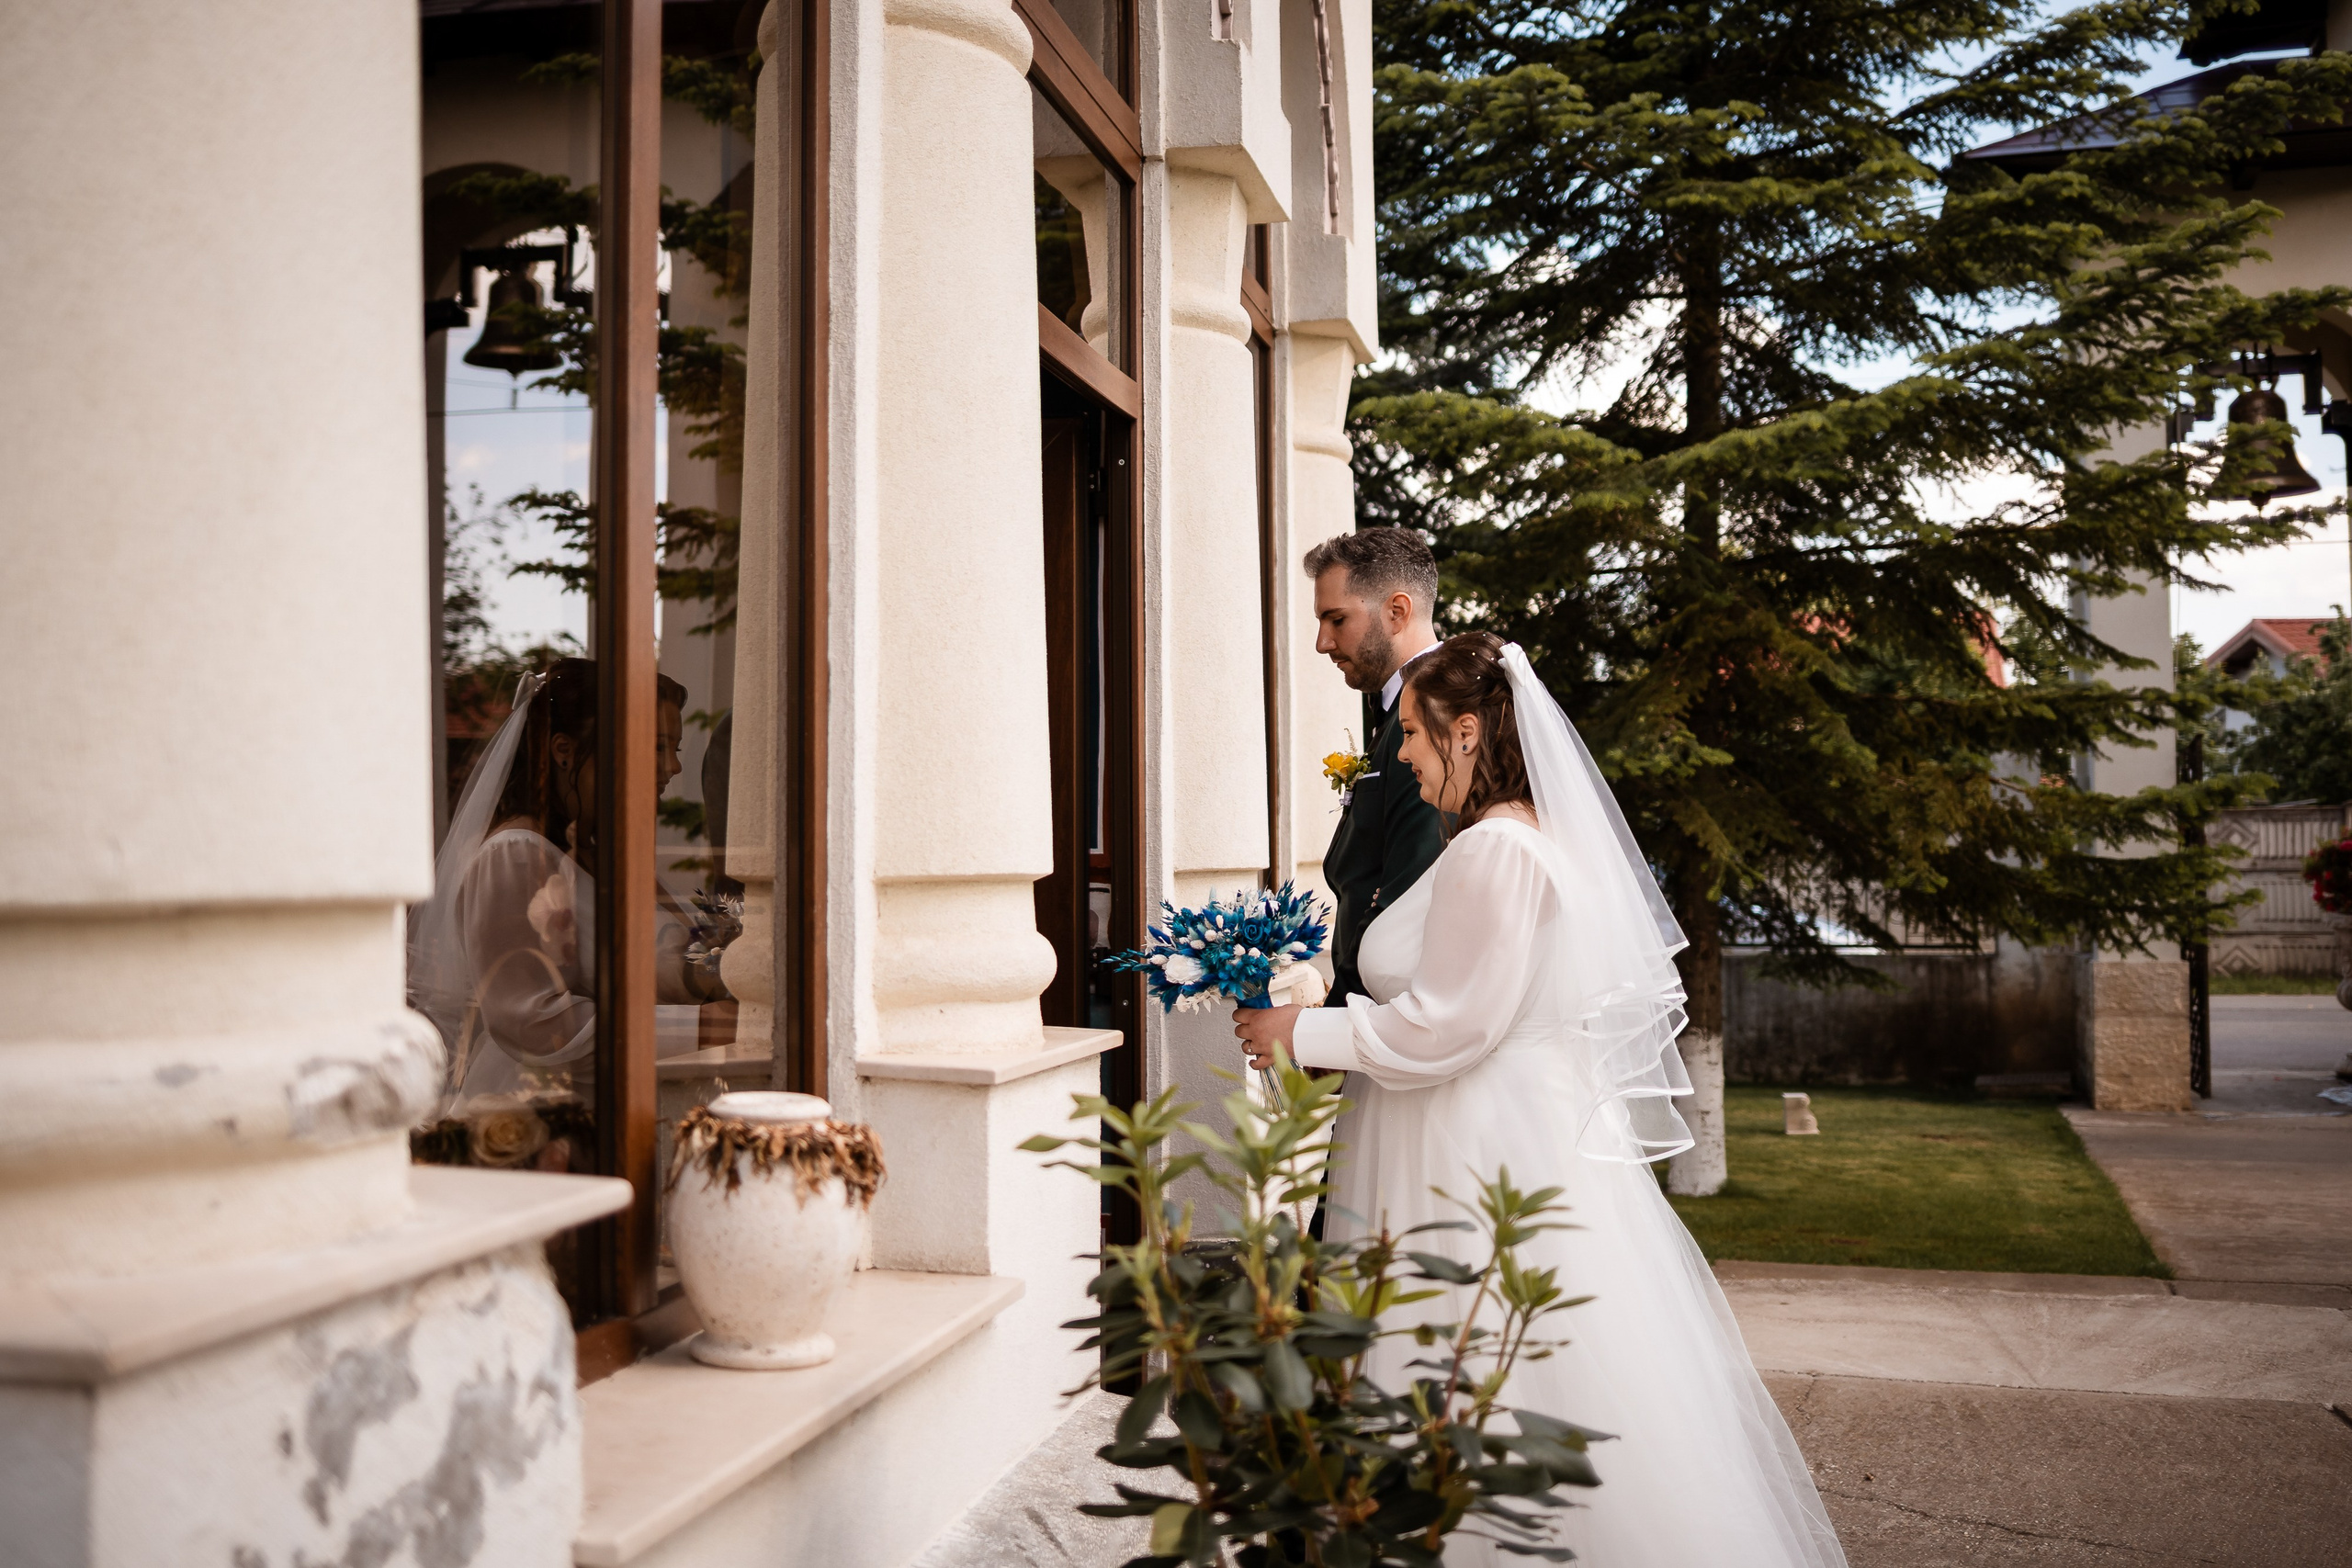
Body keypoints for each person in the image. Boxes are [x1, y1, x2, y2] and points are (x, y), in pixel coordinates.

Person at [1232, 633, 1847, 1568]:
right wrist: (1319, 1005)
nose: (1398, 754)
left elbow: (1449, 1027)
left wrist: (1298, 1037)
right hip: (1485, 1124)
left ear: (1467, 731)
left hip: (1467, 1145)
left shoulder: (1493, 852)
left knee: (1476, 1361)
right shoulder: (1505, 839)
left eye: (1410, 734)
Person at [408, 658, 733, 1114]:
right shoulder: (515, 855)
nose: (674, 766)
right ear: (564, 750)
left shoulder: (604, 851)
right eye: (655, 746)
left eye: (674, 748)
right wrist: (708, 1028)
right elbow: (534, 1023)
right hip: (541, 1119)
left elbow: (653, 970)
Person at [1304, 529, 1448, 1003]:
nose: (1323, 643)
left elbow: (1408, 885)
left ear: (1397, 611)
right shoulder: (1396, 711)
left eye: (1336, 619)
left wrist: (1334, 1020)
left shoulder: (1439, 714)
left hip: (1390, 1013)